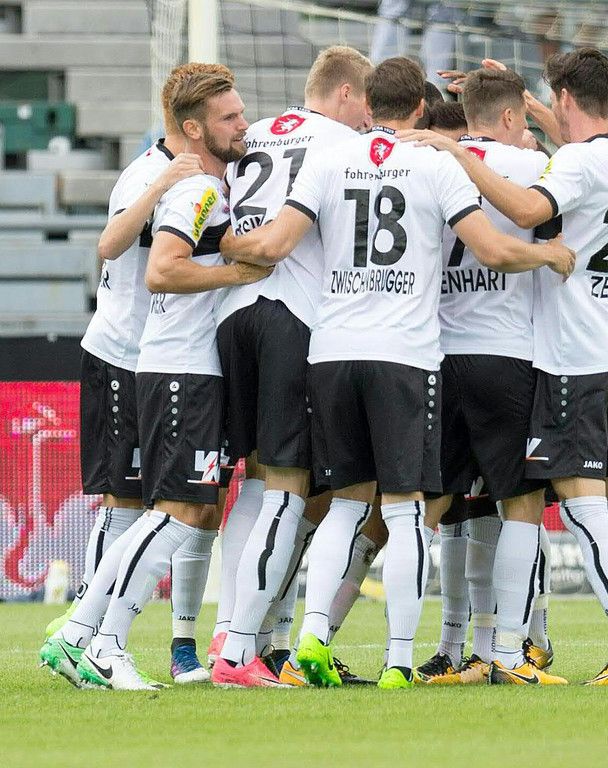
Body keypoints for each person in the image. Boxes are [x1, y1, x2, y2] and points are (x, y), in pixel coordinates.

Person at [220, 56, 575, 689]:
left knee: (344, 506)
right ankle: (398, 661)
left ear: (369, 104)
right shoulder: (436, 164)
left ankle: (310, 640)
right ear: (419, 109)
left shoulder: (330, 160)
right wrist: (546, 253)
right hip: (405, 355)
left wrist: (226, 244)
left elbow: (273, 244)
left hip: (332, 352)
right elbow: (493, 250)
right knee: (408, 512)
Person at [401, 48, 608, 686]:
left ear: (563, 99)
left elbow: (528, 213)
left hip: (570, 355)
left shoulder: (574, 164)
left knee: (583, 508)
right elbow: (571, 150)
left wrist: (458, 151)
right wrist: (525, 104)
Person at [39, 63, 238, 688]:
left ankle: (109, 635)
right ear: (191, 126)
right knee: (132, 501)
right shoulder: (149, 172)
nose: (242, 124)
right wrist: (160, 189)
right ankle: (90, 632)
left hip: (156, 353)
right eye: (230, 116)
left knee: (178, 505)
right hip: (123, 352)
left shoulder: (210, 177)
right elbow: (110, 245)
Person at [209, 45, 374, 689]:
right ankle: (239, 647)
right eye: (364, 106)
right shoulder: (342, 144)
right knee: (289, 486)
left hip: (231, 312)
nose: (368, 120)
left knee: (253, 480)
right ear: (345, 93)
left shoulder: (256, 134)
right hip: (293, 313)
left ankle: (238, 633)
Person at [412, 67, 566, 686]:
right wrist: (540, 111)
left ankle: (380, 647)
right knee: (521, 505)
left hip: (435, 353)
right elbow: (592, 161)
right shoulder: (530, 166)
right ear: (510, 116)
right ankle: (508, 651)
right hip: (506, 354)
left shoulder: (428, 162)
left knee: (428, 508)